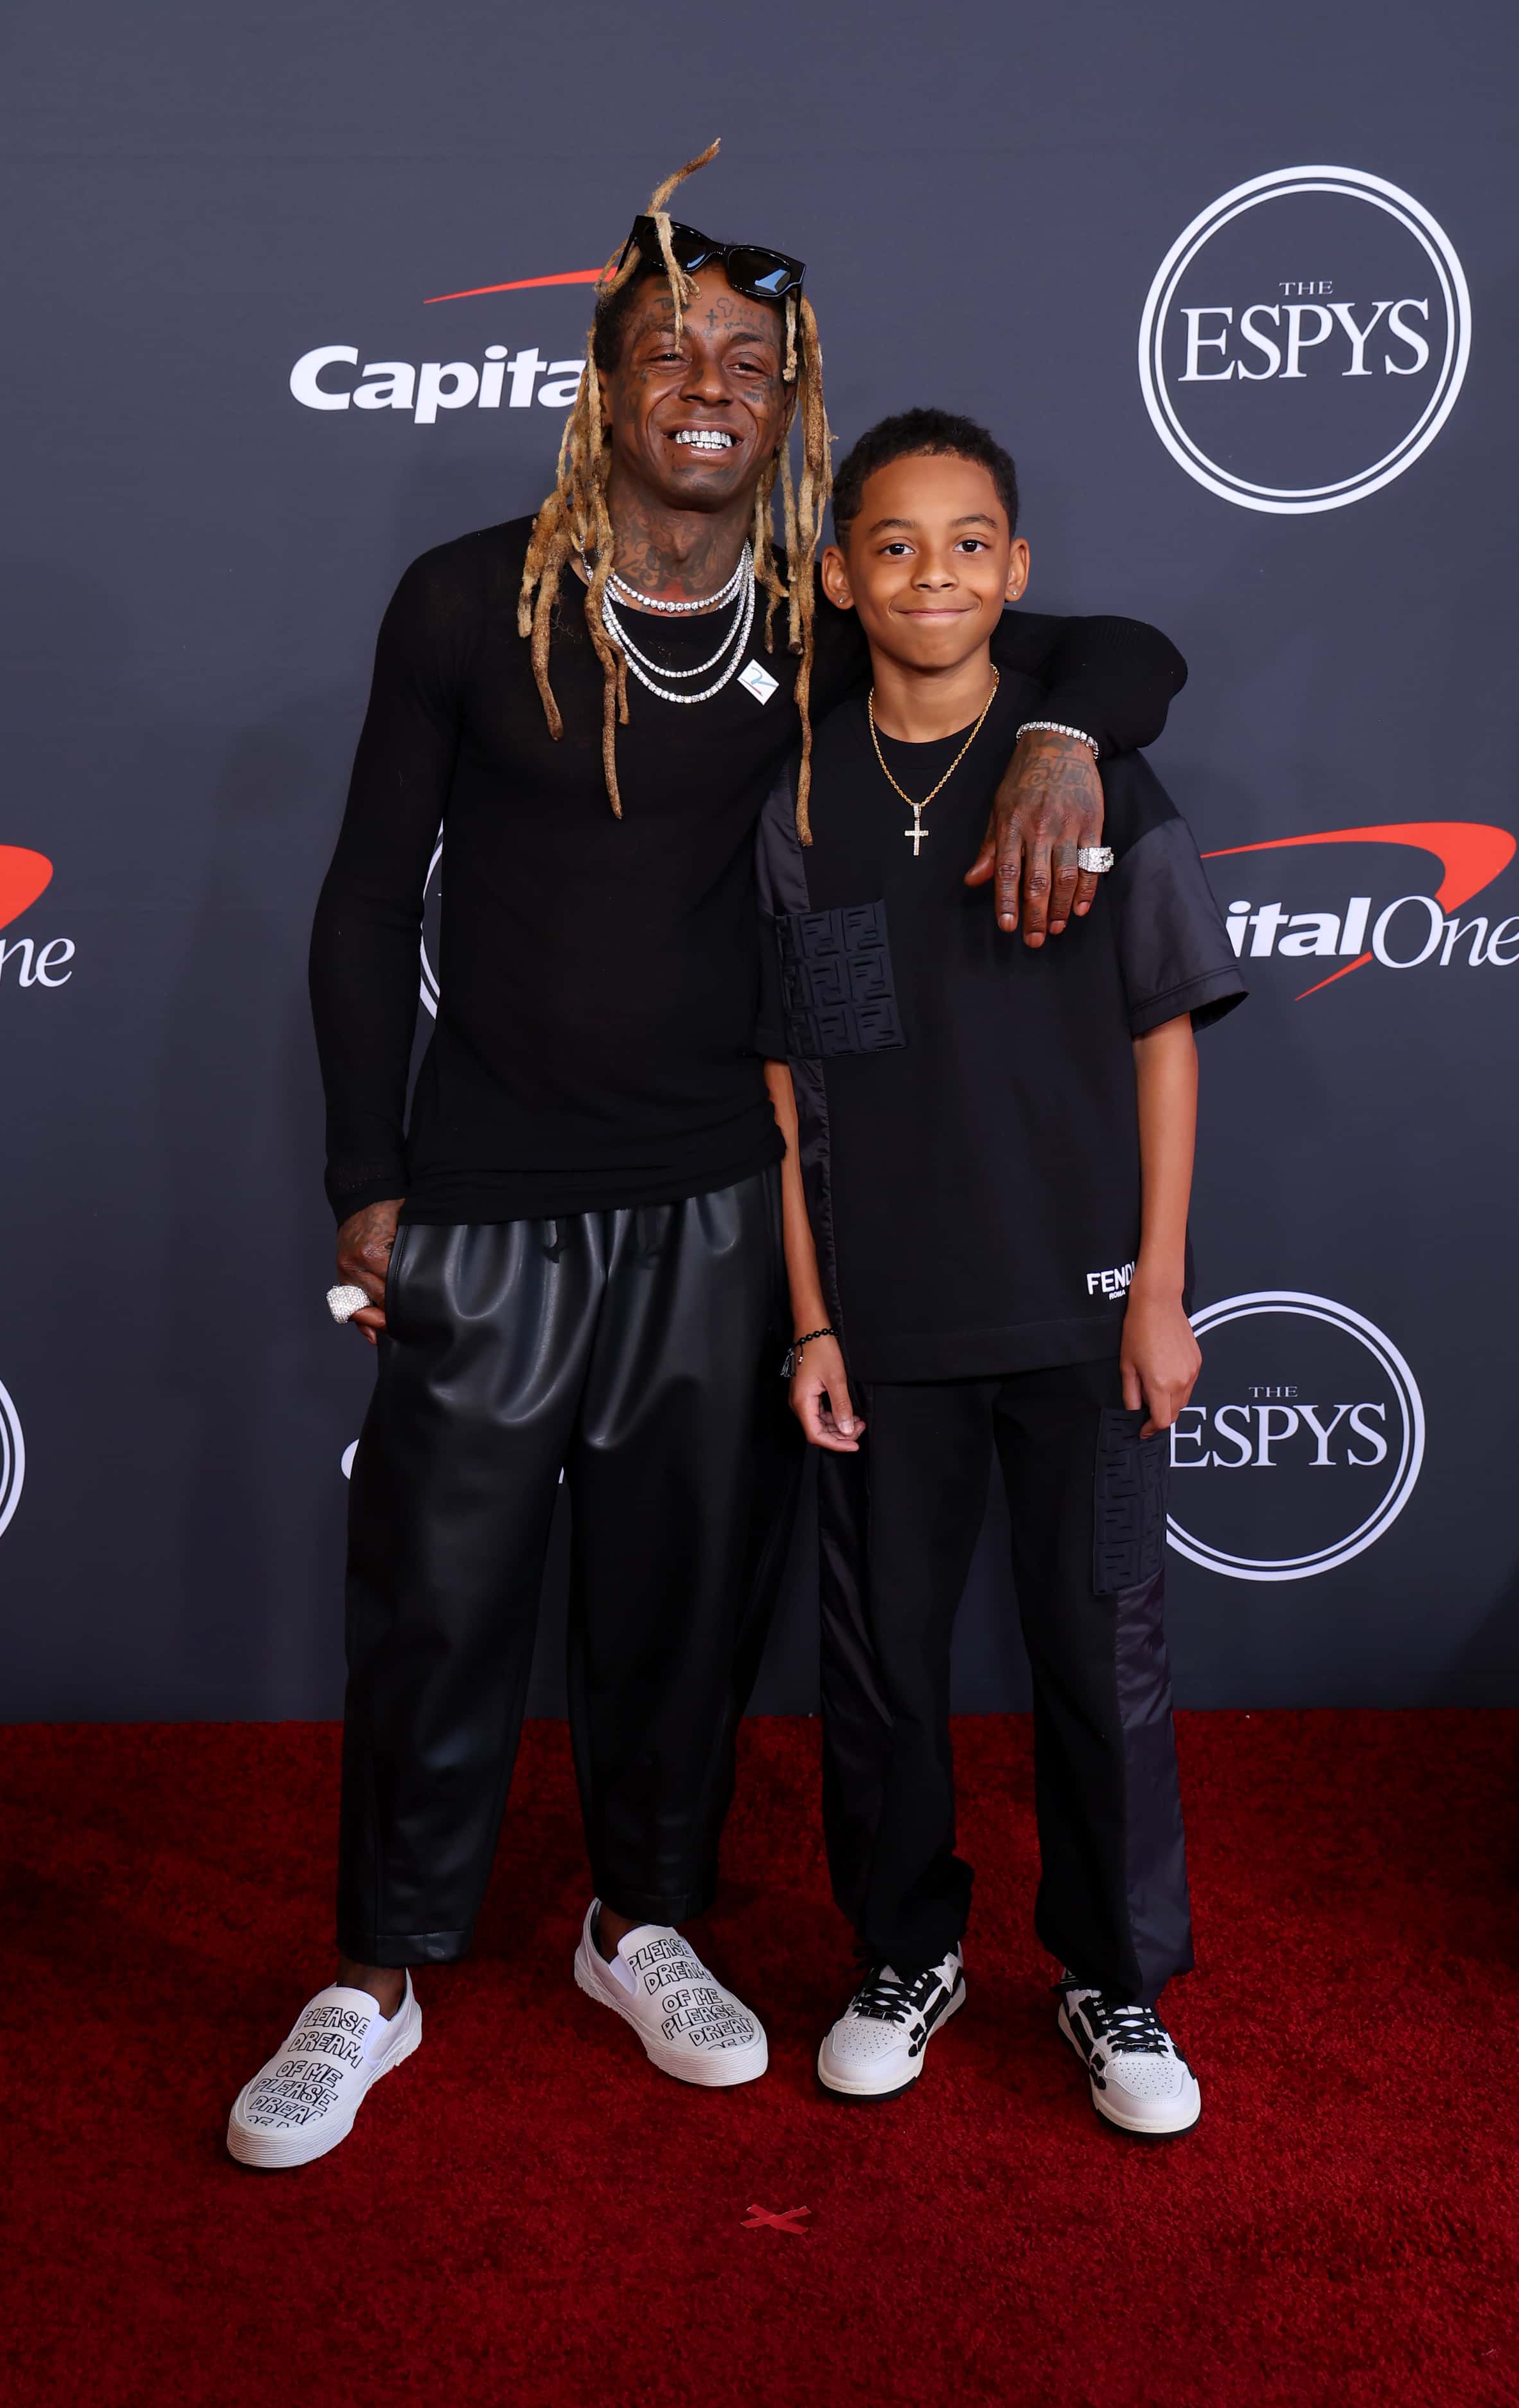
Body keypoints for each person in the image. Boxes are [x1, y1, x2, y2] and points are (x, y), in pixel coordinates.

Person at [226, 148, 1189, 2170]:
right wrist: (362, 1164)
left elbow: (1106, 648)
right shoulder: (463, 602)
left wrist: (1060, 739)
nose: (708, 380)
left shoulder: (823, 621)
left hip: (724, 1201)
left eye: (747, 359)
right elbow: (351, 905)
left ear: (785, 406)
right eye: (668, 347)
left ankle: (638, 1920)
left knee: (679, 1601)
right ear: (601, 387)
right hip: (481, 1183)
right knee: (437, 1594)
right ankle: (375, 1972)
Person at [758, 408, 1246, 2137]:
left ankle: (1113, 1976)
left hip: (1087, 1311)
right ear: (838, 573)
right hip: (890, 1326)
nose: (933, 573)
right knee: (884, 1659)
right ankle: (903, 1947)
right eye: (892, 543)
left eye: (969, 542)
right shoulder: (804, 793)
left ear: (1016, 570)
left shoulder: (1096, 773)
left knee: (1096, 1649)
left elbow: (1160, 1037)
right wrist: (814, 1311)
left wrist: (1160, 1286)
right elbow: (799, 1082)